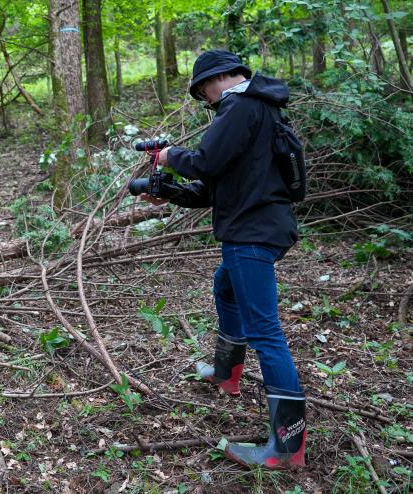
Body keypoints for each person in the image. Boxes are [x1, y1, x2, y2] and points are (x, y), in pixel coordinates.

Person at [141, 50, 306, 469]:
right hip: (259, 226)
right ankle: (226, 374)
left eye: (203, 92)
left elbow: (205, 162)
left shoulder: (241, 104)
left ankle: (287, 448)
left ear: (219, 80)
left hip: (250, 234)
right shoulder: (258, 110)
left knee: (266, 333)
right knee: (225, 287)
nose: (206, 101)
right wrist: (169, 191)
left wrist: (168, 156)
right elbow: (214, 186)